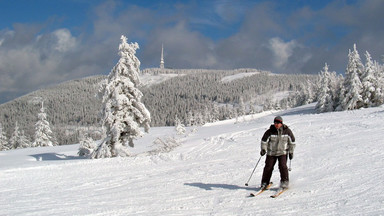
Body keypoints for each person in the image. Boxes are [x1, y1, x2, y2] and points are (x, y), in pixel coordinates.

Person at [260, 116, 296, 189]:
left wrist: (291, 152)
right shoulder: (269, 131)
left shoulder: (287, 131)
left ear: (281, 123)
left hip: (282, 152)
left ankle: (284, 182)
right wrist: (263, 149)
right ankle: (265, 183)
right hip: (271, 153)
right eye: (275, 123)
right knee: (268, 167)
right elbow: (264, 141)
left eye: (278, 123)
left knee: (283, 167)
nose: (276, 124)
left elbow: (292, 142)